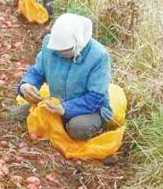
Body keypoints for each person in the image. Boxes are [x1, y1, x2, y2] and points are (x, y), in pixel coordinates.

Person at [14, 13, 113, 141]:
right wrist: (26, 85)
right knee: (18, 115)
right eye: (57, 51)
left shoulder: (99, 57)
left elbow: (96, 98)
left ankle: (87, 125)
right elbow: (37, 72)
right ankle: (58, 122)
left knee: (77, 129)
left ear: (78, 44)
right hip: (56, 103)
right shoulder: (50, 46)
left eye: (65, 51)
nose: (60, 54)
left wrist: (65, 109)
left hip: (89, 109)